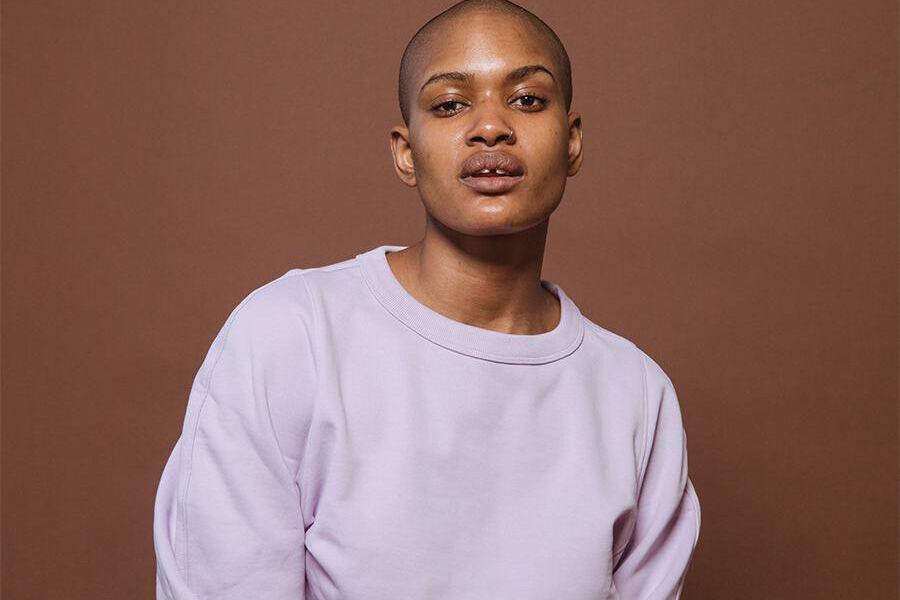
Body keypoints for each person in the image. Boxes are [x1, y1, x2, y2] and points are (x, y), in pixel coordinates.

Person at [152, 0, 701, 598]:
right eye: (449, 104)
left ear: (572, 141)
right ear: (406, 152)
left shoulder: (636, 395)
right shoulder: (293, 335)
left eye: (527, 100)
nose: (490, 126)